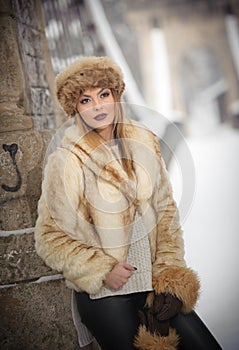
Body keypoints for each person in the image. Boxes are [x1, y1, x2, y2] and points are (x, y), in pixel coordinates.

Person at [34, 56, 218, 350]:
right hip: (106, 293)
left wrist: (168, 275)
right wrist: (101, 268)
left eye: (103, 94)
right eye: (85, 100)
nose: (97, 106)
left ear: (116, 95)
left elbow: (166, 215)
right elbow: (49, 237)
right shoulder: (66, 161)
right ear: (75, 109)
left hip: (154, 285)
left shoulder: (144, 141)